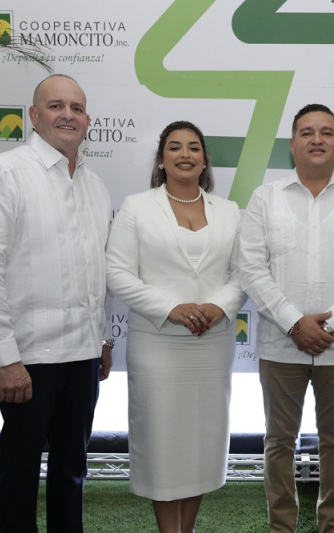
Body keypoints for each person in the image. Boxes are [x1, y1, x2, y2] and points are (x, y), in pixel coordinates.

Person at [0, 73, 113, 532]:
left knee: (72, 471)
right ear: (33, 115)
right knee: (21, 474)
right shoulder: (5, 173)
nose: (67, 114)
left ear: (87, 120)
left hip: (83, 356)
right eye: (55, 105)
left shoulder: (95, 186)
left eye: (77, 107)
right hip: (26, 360)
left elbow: (95, 272)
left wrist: (102, 339)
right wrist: (5, 358)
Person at [239, 104, 334, 533]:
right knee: (278, 443)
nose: (317, 139)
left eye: (326, 132)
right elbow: (251, 268)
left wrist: (330, 324)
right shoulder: (266, 199)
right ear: (293, 144)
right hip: (279, 344)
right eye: (307, 132)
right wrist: (293, 323)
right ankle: (282, 526)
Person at [106, 121, 246, 533]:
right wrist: (172, 307)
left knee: (201, 444)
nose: (184, 154)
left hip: (212, 345)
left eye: (194, 147)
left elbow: (244, 273)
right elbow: (117, 273)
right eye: (174, 147)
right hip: (158, 345)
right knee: (164, 446)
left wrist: (219, 307)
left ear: (204, 160)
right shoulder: (136, 207)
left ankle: (188, 529)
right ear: (161, 158)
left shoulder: (230, 211)